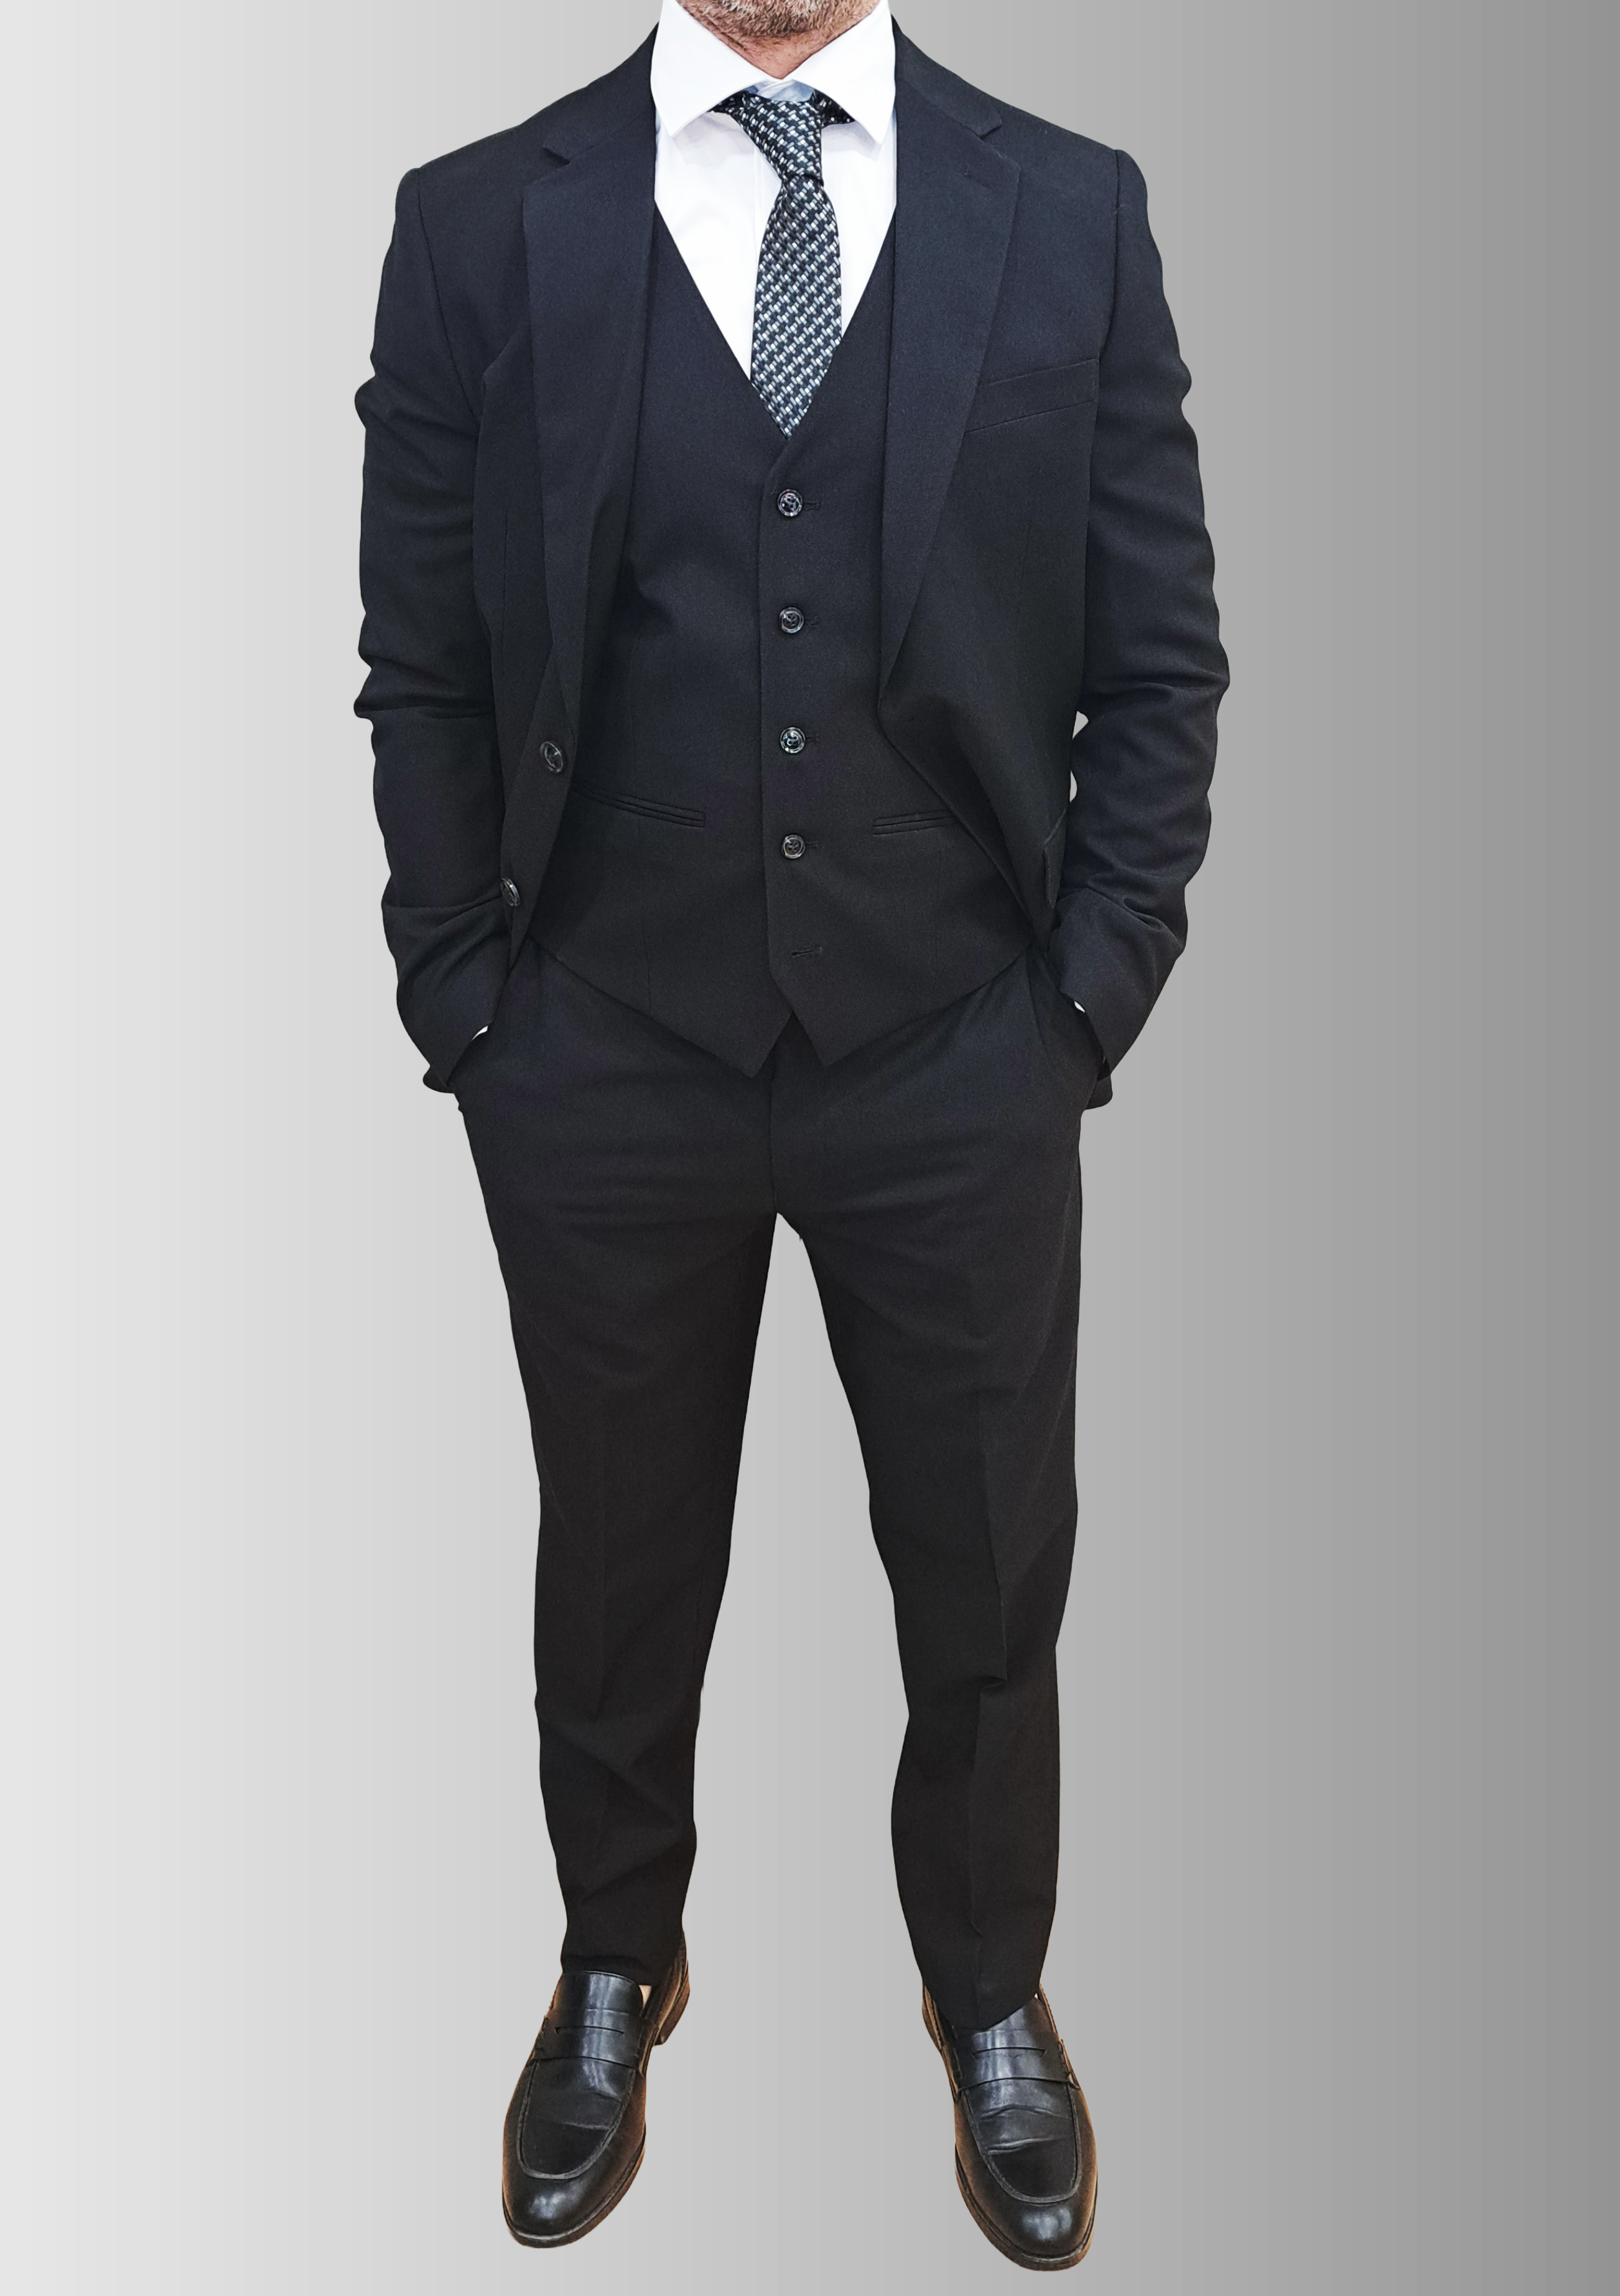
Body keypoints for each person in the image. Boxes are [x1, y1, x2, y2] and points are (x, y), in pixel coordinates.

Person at [354, 0, 1225, 2267]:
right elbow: (423, 656)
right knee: (615, 1549)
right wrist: (464, 995)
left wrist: (1086, 999)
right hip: (601, 1038)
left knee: (986, 1556)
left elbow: (1156, 661)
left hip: (956, 1040)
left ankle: (987, 1984)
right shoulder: (476, 224)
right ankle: (614, 1960)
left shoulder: (1069, 212)